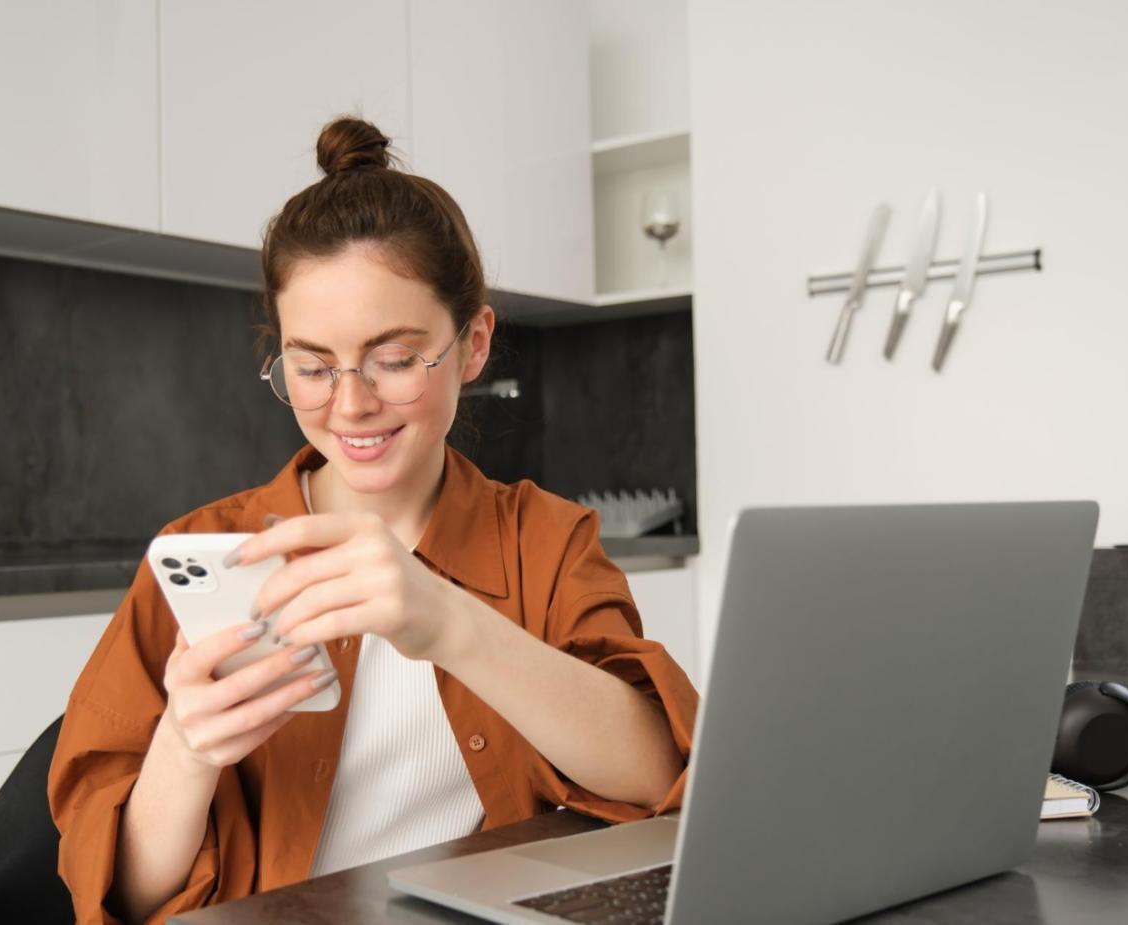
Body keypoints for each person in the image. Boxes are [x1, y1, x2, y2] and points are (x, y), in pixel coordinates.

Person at [47, 116, 700, 925]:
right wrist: (186, 748)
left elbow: (657, 775)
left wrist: (447, 622)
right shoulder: (196, 554)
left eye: (393, 359)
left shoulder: (547, 540)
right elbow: (125, 898)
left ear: (473, 344)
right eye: (312, 366)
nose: (350, 403)